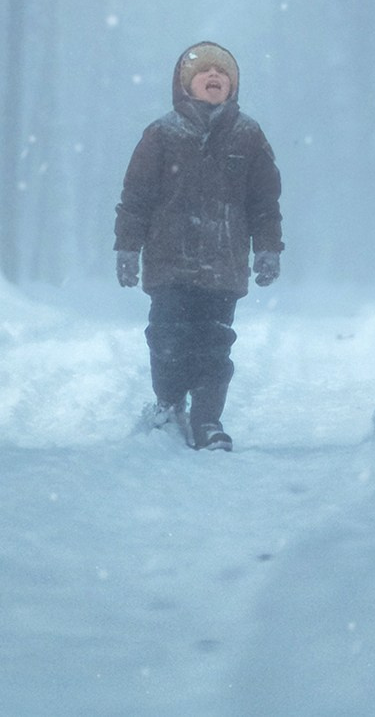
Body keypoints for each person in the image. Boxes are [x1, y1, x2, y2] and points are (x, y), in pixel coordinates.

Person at [114, 40, 282, 451]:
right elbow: (136, 198)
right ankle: (169, 406)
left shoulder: (248, 136)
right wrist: (127, 247)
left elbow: (264, 203)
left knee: (214, 344)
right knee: (167, 338)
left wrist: (268, 248)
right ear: (185, 85)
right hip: (169, 262)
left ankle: (207, 420)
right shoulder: (161, 134)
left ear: (232, 87)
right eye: (204, 71)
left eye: (222, 73)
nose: (214, 76)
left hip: (223, 265)